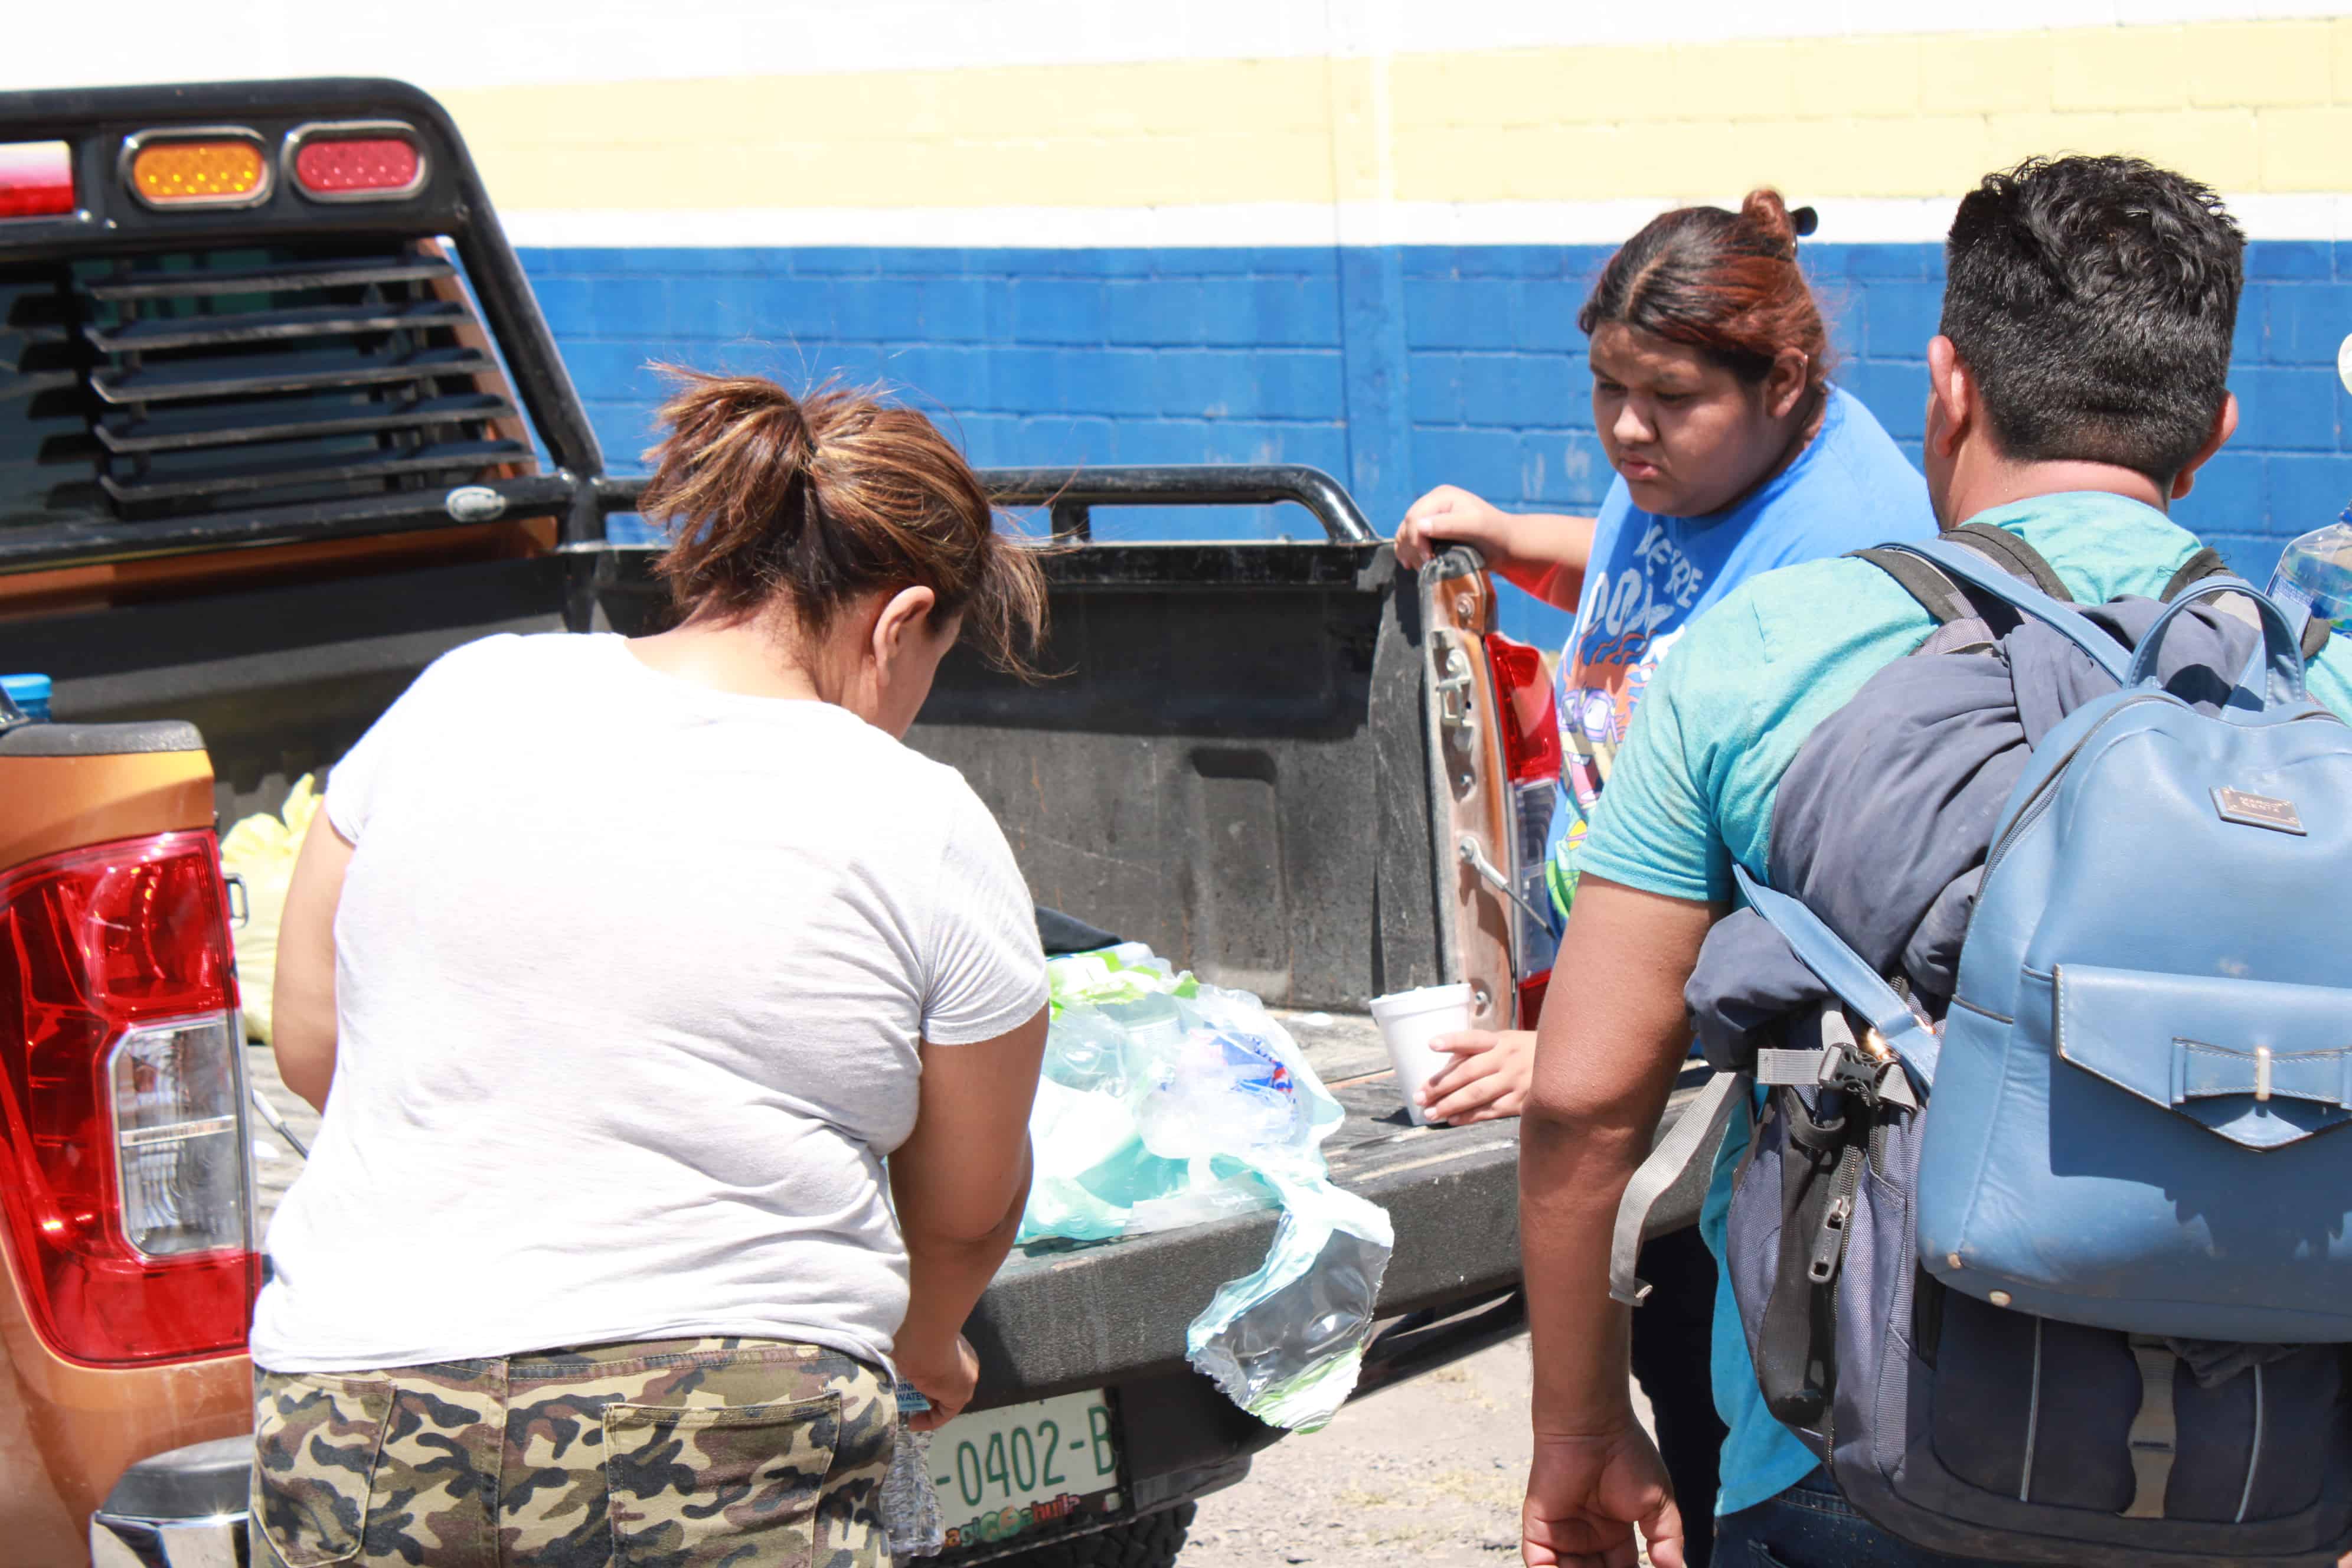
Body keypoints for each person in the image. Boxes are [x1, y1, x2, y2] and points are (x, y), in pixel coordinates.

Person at [1514, 155, 2352, 1568]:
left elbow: (1589, 1100)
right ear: (2209, 432)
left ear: (1948, 385)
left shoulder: (1770, 653)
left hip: (1854, 1447)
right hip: (2263, 1470)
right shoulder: (2321, 691)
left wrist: (1580, 1423)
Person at [251, 372, 1054, 1568]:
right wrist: (926, 1339)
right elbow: (966, 1203)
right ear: (899, 622)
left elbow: (315, 1042)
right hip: (725, 1420)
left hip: (355, 1405)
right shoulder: (916, 814)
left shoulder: (460, 695)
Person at [1391, 189, 1933, 1548]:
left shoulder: (1849, 552)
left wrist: (1594, 1036)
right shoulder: (1695, 477)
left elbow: (1813, 891)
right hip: (1629, 1011)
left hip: (1743, 1088)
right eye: (1606, 390)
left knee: (1705, 1436)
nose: (1627, 429)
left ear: (1785, 380)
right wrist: (1519, 539)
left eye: (1669, 398)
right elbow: (1663, 590)